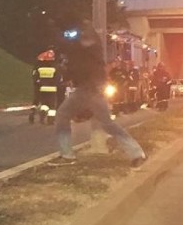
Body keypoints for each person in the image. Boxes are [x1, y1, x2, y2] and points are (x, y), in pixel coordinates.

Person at [49, 21, 146, 167]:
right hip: (92, 87)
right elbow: (80, 62)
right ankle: (137, 153)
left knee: (63, 115)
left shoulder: (85, 41)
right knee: (108, 124)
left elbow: (80, 61)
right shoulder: (86, 46)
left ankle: (67, 155)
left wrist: (59, 37)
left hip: (88, 87)